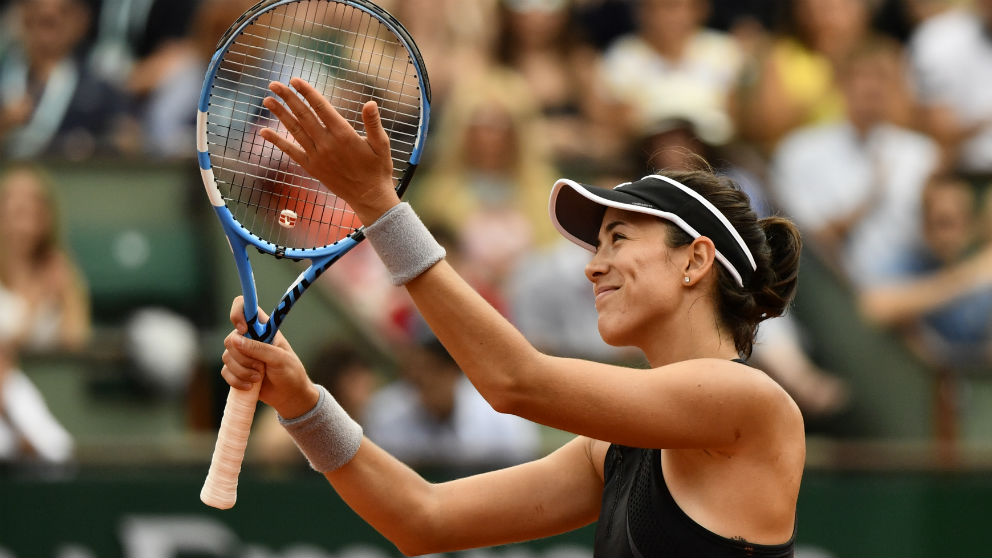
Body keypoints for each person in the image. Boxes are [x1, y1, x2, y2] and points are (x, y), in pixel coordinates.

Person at [219, 77, 805, 556]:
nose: (592, 268)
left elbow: (515, 381)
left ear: (696, 259)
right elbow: (424, 519)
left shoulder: (750, 405)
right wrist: (303, 404)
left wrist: (380, 207)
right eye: (595, 248)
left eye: (617, 238)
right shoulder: (611, 450)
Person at [0, 164, 91, 463]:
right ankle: (44, 442)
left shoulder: (61, 273)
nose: (21, 208)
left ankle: (40, 441)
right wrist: (36, 300)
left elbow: (75, 342)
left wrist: (63, 293)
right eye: (12, 199)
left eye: (32, 200)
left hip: (54, 405)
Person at [363, 336, 541, 473]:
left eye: (431, 369)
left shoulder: (501, 413)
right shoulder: (385, 412)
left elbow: (524, 472)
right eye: (414, 373)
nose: (423, 380)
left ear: (453, 371)